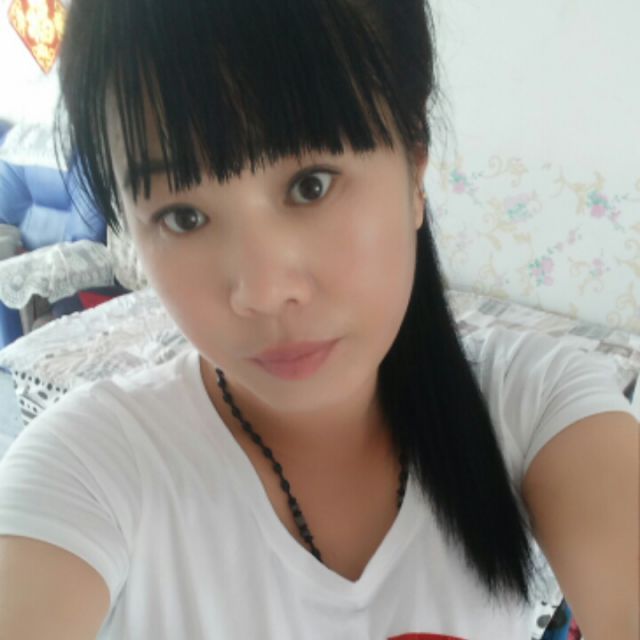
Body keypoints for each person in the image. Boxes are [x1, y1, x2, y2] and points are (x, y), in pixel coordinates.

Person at [0, 1, 638, 638]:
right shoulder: (89, 468)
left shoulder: (533, 403)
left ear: (415, 166)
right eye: (183, 217)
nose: (262, 292)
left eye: (312, 184)